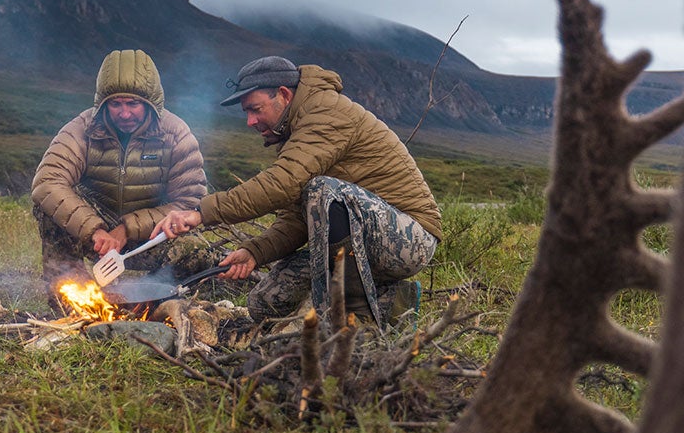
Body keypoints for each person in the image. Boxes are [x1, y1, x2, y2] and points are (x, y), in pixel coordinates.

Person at [155, 55, 440, 324]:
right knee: (265, 302)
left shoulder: (326, 112)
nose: (250, 122)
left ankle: (355, 321)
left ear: (284, 95)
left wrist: (200, 212)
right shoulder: (295, 130)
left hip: (410, 240)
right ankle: (392, 299)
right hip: (364, 241)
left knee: (323, 190)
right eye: (246, 113)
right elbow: (295, 217)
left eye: (255, 109)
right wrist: (255, 252)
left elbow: (283, 183)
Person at [31, 49, 207, 296]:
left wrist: (126, 230)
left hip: (150, 236)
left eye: (133, 103)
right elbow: (47, 182)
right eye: (115, 104)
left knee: (197, 252)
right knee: (48, 206)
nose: (124, 114)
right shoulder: (82, 129)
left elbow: (190, 203)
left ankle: (151, 293)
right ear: (102, 104)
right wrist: (95, 230)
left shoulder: (175, 134)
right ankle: (70, 295)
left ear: (150, 103)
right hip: (97, 234)